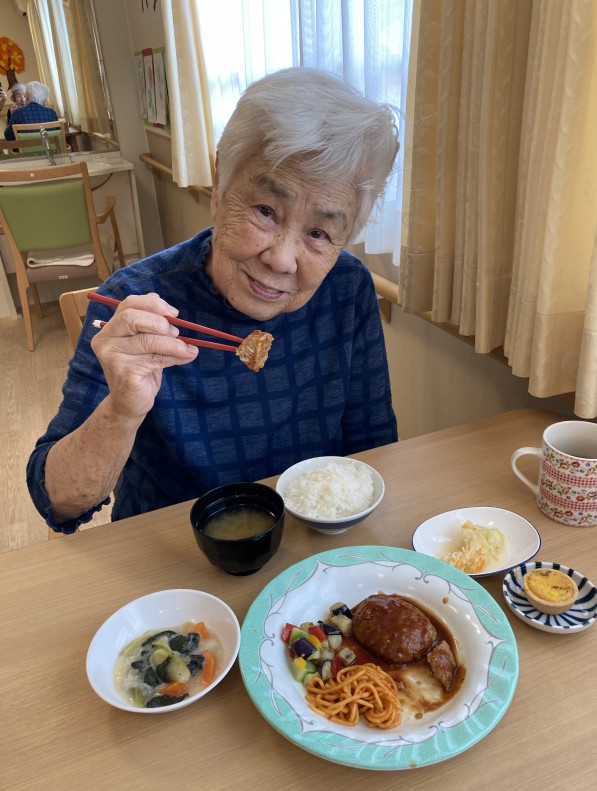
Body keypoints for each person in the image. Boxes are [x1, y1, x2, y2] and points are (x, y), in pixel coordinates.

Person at [27, 67, 400, 533]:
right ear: (221, 183)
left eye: (319, 233)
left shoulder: (347, 288)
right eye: (266, 211)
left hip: (308, 545)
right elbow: (57, 501)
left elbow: (375, 450)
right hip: (174, 550)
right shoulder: (134, 301)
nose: (282, 259)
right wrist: (122, 409)